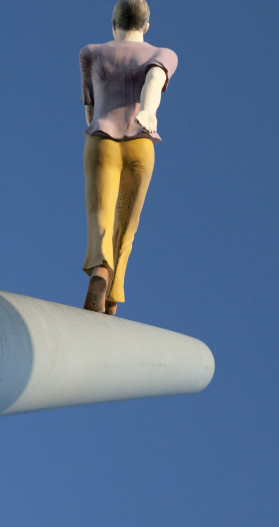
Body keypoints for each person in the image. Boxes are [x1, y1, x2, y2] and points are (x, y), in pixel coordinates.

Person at [80, 0, 177, 315]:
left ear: (113, 22)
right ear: (146, 25)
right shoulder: (163, 54)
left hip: (101, 141)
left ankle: (101, 271)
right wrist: (148, 111)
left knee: (101, 214)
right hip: (140, 142)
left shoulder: (91, 53)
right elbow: (154, 79)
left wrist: (100, 130)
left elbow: (90, 108)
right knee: (128, 223)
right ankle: (113, 297)